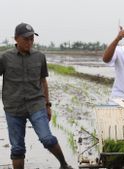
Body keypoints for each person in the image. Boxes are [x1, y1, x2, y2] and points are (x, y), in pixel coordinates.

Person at [0, 23, 73, 169]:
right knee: (17, 148)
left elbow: (43, 81)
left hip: (36, 105)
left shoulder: (39, 57)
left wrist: (48, 105)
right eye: (26, 39)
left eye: (32, 39)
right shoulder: (5, 58)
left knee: (47, 139)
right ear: (16, 39)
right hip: (13, 108)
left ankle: (64, 165)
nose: (29, 42)